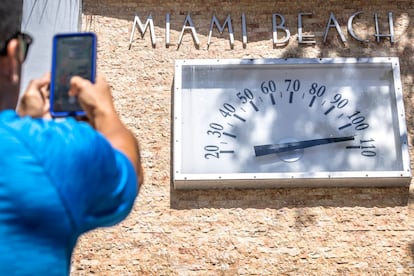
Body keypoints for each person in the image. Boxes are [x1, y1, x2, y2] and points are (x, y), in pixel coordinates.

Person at [0, 1, 143, 275]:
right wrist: (104, 111)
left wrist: (24, 125)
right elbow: (129, 173)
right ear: (12, 54)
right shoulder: (49, 152)